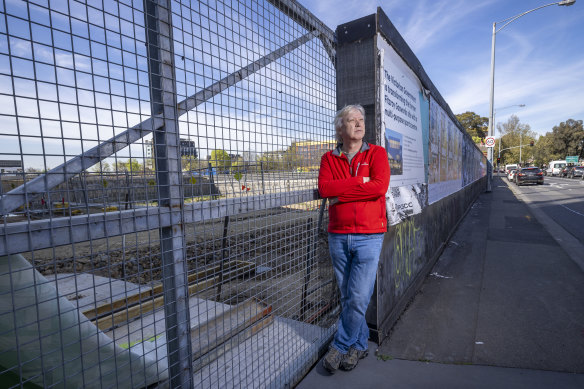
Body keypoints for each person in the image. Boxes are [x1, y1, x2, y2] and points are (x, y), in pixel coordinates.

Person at [318, 104, 390, 373]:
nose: (359, 124)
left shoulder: (377, 153)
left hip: (369, 235)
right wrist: (361, 182)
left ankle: (340, 344)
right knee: (349, 295)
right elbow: (325, 189)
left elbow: (380, 187)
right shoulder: (328, 158)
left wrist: (342, 193)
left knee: (358, 297)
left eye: (361, 120)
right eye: (352, 120)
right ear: (341, 128)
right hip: (338, 235)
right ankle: (359, 346)